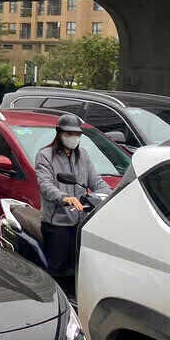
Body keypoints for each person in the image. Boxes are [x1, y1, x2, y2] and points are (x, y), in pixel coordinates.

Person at [34, 113, 111, 281]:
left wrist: (113, 195)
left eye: (77, 134)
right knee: (58, 271)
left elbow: (96, 181)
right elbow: (45, 185)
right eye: (69, 134)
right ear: (59, 133)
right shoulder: (46, 155)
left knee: (79, 268)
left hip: (81, 220)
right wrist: (64, 197)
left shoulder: (83, 155)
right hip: (57, 222)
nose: (73, 137)